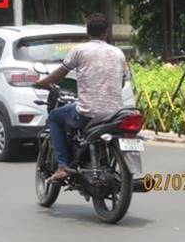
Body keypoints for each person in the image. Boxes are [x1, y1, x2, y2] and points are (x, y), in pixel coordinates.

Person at [35, 13, 127, 182]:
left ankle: (62, 166)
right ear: (106, 33)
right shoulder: (118, 53)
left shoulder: (80, 50)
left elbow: (59, 75)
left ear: (88, 32)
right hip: (115, 113)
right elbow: (121, 82)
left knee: (55, 117)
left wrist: (42, 83)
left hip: (88, 113)